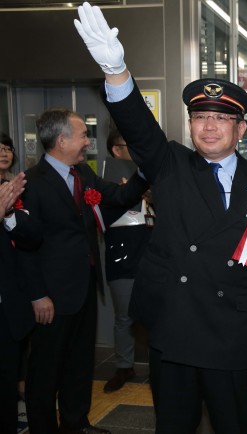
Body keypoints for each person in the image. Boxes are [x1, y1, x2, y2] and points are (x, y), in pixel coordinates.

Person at [75, 4, 247, 433]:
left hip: (232, 332)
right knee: (173, 426)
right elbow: (137, 126)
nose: (209, 126)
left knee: (233, 425)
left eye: (221, 118)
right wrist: (116, 71)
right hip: (175, 329)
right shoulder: (170, 164)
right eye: (200, 117)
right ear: (190, 123)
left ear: (241, 129)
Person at [18, 107, 148, 434]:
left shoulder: (83, 176)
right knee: (46, 370)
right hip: (50, 295)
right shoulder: (32, 184)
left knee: (79, 363)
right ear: (61, 140)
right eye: (81, 135)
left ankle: (76, 423)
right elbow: (25, 246)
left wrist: (144, 173)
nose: (87, 141)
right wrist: (37, 295)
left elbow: (117, 196)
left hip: (84, 286)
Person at [101, 130, 153, 393]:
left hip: (153, 259)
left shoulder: (151, 174)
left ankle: (160, 367)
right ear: (115, 150)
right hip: (122, 259)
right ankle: (124, 366)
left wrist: (151, 197)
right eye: (127, 145)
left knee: (156, 316)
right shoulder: (105, 179)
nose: (133, 150)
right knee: (124, 318)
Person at [0, 173, 42, 434]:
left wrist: (8, 215)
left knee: (6, 392)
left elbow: (33, 238)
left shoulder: (5, 197)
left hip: (7, 312)